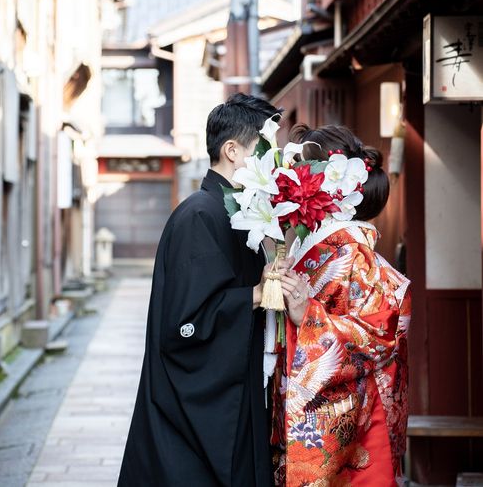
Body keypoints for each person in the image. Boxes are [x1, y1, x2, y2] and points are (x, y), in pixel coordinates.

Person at [118, 93, 300, 487]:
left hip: (236, 387)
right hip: (196, 410)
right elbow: (185, 322)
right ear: (232, 151)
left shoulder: (234, 213)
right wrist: (255, 294)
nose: (274, 161)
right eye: (265, 149)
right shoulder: (199, 215)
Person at [270, 124, 411, 486]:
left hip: (353, 418)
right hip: (312, 406)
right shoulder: (320, 245)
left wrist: (308, 317)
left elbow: (378, 334)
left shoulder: (352, 251)